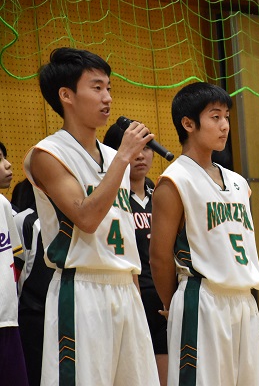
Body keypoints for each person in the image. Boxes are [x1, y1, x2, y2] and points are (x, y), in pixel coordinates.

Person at [24, 47, 159, 385]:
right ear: (66, 95)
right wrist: (123, 158)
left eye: (108, 88)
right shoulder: (48, 154)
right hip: (81, 290)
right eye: (97, 88)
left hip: (126, 289)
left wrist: (134, 295)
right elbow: (85, 218)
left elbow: (123, 236)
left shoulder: (114, 156)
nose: (107, 97)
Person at [149, 82, 259, 386]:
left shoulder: (239, 183)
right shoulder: (174, 181)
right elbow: (159, 257)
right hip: (202, 300)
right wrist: (174, 304)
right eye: (215, 117)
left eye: (226, 117)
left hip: (244, 300)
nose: (225, 125)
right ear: (188, 124)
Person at [103, 124, 168, 385]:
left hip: (162, 303)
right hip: (126, 297)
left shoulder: (162, 197)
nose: (141, 155)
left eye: (147, 148)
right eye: (134, 148)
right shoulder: (110, 198)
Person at [11, 179, 55, 386]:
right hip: (33, 318)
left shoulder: (68, 219)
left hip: (62, 316)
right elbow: (15, 274)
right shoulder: (24, 221)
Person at [0, 142, 28, 386]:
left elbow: (16, 259)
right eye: (0, 159)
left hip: (6, 318)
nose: (8, 164)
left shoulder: (3, 204)